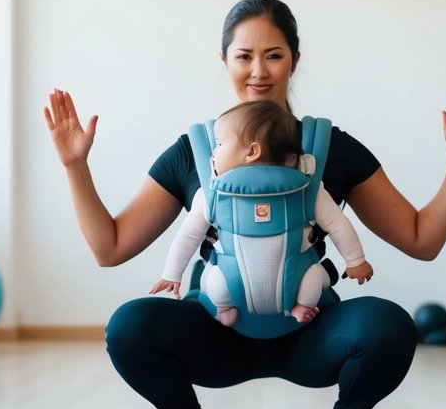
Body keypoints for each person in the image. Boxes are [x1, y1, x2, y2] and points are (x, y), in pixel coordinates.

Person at [44, 0, 446, 409]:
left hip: (309, 333)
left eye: (274, 54)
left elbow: (421, 239)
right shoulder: (197, 154)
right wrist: (74, 166)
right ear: (225, 62)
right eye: (244, 56)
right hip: (220, 330)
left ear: (295, 61)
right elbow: (110, 247)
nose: (259, 70)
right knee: (129, 326)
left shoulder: (330, 149)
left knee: (389, 326)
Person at [149, 99, 375, 326]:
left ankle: (303, 306)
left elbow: (337, 224)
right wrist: (172, 272)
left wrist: (355, 260)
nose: (214, 154)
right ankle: (225, 307)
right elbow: (189, 235)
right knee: (215, 282)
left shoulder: (307, 189)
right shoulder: (212, 194)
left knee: (312, 279)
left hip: (295, 276)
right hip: (232, 277)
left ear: (252, 151)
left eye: (219, 144)